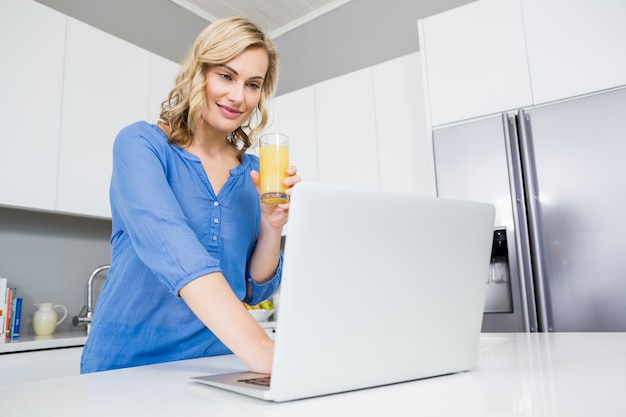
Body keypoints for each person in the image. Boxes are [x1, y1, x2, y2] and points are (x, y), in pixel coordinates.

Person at [80, 16, 299, 374]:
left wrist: (271, 225)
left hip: (217, 365)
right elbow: (173, 246)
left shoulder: (255, 171)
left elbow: (253, 291)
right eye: (226, 76)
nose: (237, 96)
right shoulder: (142, 145)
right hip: (126, 366)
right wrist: (261, 348)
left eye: (253, 84)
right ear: (200, 72)